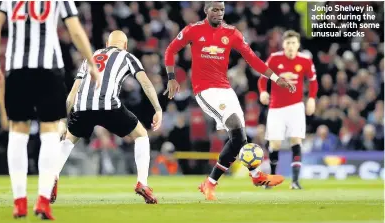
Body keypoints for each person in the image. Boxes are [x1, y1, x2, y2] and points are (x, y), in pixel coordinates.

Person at [164, 1, 296, 201]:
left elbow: (252, 58)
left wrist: (277, 79)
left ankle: (248, 177)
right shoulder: (193, 30)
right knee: (235, 128)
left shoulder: (232, 33)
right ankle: (223, 181)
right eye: (215, 9)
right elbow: (170, 51)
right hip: (205, 92)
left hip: (226, 90)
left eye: (222, 10)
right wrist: (172, 77)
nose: (219, 13)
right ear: (206, 10)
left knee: (239, 139)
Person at [0, 1, 100, 220]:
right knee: (49, 132)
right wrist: (92, 65)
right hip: (49, 69)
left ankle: (19, 202)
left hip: (17, 69)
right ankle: (43, 201)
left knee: (18, 131)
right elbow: (75, 29)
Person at [53, 30, 162, 204]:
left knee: (68, 140)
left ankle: (52, 175)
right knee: (141, 135)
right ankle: (142, 182)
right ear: (125, 45)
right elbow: (146, 83)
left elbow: (73, 93)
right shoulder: (127, 56)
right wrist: (158, 109)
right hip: (108, 105)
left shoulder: (92, 56)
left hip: (82, 106)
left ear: (107, 44)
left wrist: (62, 120)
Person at [258, 30, 318, 190]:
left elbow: (313, 82)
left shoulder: (305, 60)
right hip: (276, 108)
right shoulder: (275, 58)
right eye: (288, 43)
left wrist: (311, 98)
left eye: (293, 43)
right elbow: (263, 78)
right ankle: (271, 179)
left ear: (298, 45)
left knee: (296, 141)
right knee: (275, 143)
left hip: (296, 107)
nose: (291, 46)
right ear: (283, 44)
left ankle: (295, 181)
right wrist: (263, 92)